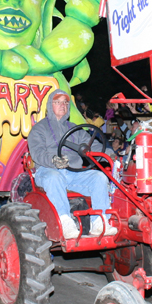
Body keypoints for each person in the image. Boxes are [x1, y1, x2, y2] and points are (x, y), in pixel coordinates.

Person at [27, 90, 116, 240]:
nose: (62, 105)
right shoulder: (39, 129)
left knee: (99, 177)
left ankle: (99, 221)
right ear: (50, 105)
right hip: (48, 170)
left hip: (73, 173)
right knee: (54, 177)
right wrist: (53, 160)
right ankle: (65, 221)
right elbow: (37, 152)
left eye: (65, 102)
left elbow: (91, 144)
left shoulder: (74, 128)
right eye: (58, 102)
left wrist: (109, 153)